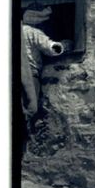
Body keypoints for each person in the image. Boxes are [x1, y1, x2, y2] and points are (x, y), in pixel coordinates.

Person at [20, 8, 65, 148]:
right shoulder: (30, 32)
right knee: (30, 107)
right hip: (29, 74)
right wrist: (64, 45)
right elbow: (50, 47)